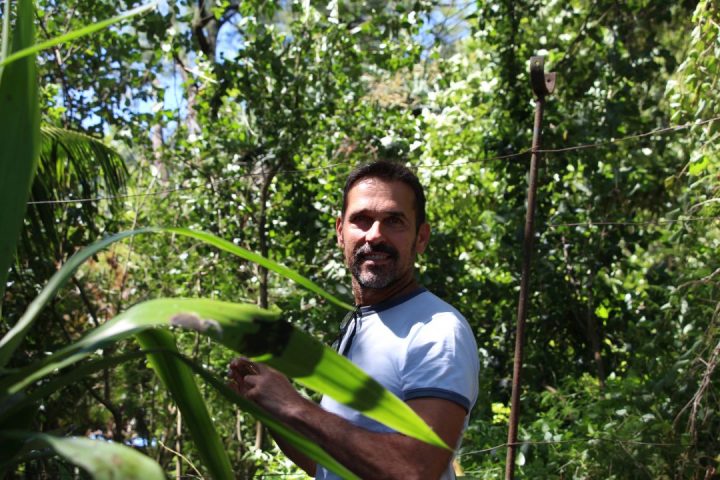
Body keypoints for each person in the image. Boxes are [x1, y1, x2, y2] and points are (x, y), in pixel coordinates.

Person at [229, 160, 479, 479]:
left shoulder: (438, 330)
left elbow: (416, 470)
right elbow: (328, 466)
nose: (374, 236)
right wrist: (271, 408)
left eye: (394, 221)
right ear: (340, 232)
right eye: (361, 220)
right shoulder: (358, 328)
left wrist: (294, 405)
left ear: (421, 238)